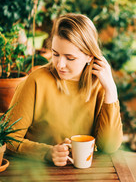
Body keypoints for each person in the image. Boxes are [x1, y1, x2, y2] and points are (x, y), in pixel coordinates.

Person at [7, 13, 123, 166]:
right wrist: (46, 153)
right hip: (37, 173)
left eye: (70, 58)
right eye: (55, 54)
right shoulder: (36, 81)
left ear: (89, 56)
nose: (60, 64)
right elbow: (9, 139)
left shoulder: (100, 86)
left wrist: (111, 90)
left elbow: (109, 147)